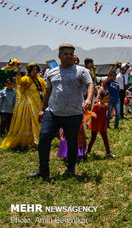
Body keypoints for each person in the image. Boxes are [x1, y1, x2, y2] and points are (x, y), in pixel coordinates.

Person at [26, 43, 93, 179]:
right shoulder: (52, 72)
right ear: (59, 56)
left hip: (73, 113)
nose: (69, 56)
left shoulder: (81, 71)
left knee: (72, 141)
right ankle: (43, 171)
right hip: (53, 112)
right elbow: (48, 92)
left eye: (71, 54)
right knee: (44, 139)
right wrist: (42, 109)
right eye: (65, 54)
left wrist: (89, 99)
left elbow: (90, 85)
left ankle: (70, 169)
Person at [0, 63, 46, 149]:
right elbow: (18, 83)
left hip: (38, 104)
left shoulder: (39, 79)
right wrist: (19, 70)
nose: (35, 71)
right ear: (29, 71)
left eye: (36, 70)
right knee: (28, 122)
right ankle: (26, 141)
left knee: (37, 121)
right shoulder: (26, 79)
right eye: (33, 70)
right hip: (28, 105)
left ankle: (37, 140)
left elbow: (46, 87)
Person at [87, 91, 115, 157]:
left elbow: (107, 113)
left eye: (108, 99)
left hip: (102, 124)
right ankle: (88, 151)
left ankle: (108, 152)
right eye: (106, 98)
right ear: (101, 98)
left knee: (105, 139)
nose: (107, 100)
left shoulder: (106, 106)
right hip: (96, 125)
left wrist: (111, 114)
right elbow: (91, 113)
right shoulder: (96, 106)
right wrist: (93, 115)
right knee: (93, 138)